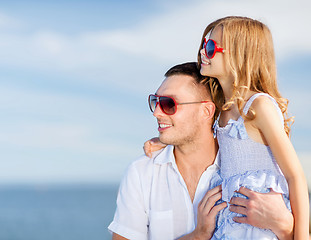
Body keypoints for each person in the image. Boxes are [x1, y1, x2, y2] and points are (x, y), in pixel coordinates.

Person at [146, 16, 309, 239]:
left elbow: (295, 175)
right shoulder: (221, 108)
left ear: (239, 55)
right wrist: (164, 140)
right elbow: (199, 137)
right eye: (204, 45)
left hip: (259, 221)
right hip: (232, 220)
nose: (203, 52)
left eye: (211, 47)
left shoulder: (258, 106)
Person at [108, 62, 294, 240]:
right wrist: (198, 236)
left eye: (168, 104)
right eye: (155, 101)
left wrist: (285, 228)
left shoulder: (247, 170)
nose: (157, 112)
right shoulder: (141, 172)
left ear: (206, 111)